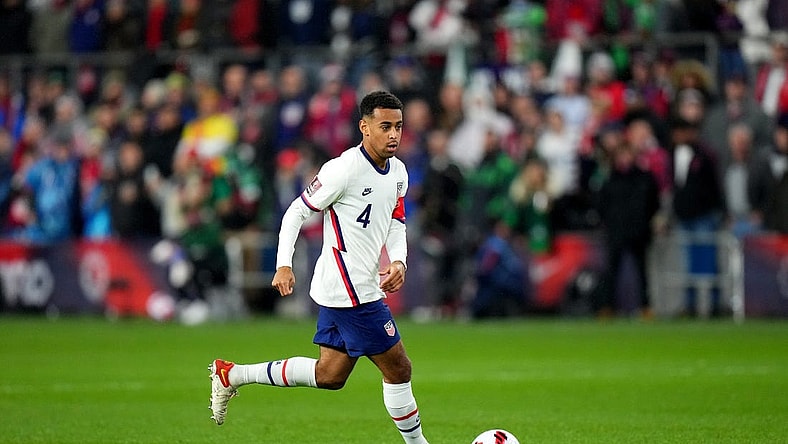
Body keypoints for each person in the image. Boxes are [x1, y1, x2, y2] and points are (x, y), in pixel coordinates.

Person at [208, 91, 429, 444]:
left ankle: (231, 375)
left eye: (398, 127)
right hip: (350, 289)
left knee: (330, 375)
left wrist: (399, 258)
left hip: (353, 284)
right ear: (364, 127)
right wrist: (283, 265)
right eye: (385, 126)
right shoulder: (342, 170)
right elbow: (296, 211)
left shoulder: (398, 172)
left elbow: (396, 221)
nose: (393, 135)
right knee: (399, 367)